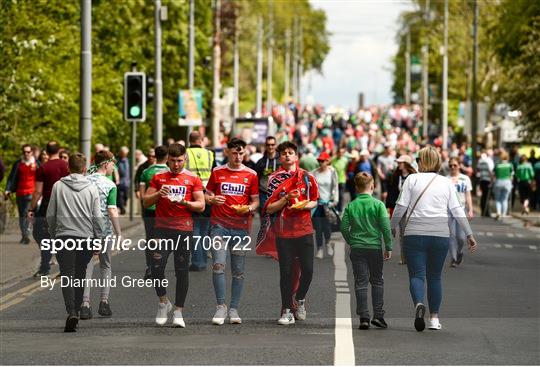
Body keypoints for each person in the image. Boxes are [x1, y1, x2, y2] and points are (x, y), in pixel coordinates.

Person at [391, 147, 477, 331]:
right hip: (440, 235)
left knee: (416, 275)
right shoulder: (446, 182)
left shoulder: (411, 179)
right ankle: (434, 319)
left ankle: (418, 304)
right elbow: (457, 210)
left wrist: (392, 226)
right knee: (435, 277)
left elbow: (400, 207)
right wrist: (469, 234)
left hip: (414, 234)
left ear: (421, 161)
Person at [143, 143, 205, 327]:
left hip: (183, 229)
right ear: (167, 160)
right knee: (156, 267)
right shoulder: (158, 177)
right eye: (172, 161)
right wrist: (158, 195)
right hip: (161, 229)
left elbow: (201, 205)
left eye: (179, 160)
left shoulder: (193, 178)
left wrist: (185, 202)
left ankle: (178, 311)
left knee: (182, 270)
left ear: (185, 158)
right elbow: (146, 202)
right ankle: (163, 301)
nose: (176, 164)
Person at [259, 141, 319, 325]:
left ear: (296, 156)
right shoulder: (274, 179)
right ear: (280, 157)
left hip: (304, 229)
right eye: (283, 153)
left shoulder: (307, 177)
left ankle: (299, 299)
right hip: (284, 232)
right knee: (285, 273)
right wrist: (286, 199)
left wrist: (303, 205)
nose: (286, 155)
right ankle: (287, 310)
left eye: (290, 152)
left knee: (308, 271)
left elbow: (314, 201)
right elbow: (269, 209)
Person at [46, 153, 105, 332]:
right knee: (80, 275)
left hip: (64, 237)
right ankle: (77, 310)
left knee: (67, 275)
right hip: (85, 238)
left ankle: (71, 311)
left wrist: (53, 233)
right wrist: (99, 238)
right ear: (85, 168)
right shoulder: (92, 188)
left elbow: (50, 214)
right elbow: (97, 217)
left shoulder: (58, 186)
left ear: (68, 168)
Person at [205, 138, 259, 325]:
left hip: (240, 228)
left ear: (245, 153)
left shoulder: (251, 174)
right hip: (219, 226)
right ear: (227, 152)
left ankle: (234, 309)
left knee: (238, 271)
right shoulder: (217, 172)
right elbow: (207, 194)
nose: (238, 156)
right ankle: (221, 307)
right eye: (234, 153)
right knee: (218, 266)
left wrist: (250, 208)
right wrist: (211, 200)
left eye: (241, 153)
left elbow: (255, 201)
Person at [341, 172, 392, 330]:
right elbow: (385, 227)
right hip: (374, 247)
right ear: (373, 186)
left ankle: (364, 317)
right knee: (377, 281)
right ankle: (378, 315)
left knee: (360, 282)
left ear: (356, 188)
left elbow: (343, 228)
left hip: (357, 248)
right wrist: (388, 246)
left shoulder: (351, 205)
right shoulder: (378, 205)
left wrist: (352, 241)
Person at [80, 150, 122, 319]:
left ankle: (84, 304)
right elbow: (112, 210)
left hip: (85, 231)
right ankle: (104, 303)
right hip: (104, 231)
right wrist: (119, 232)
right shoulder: (110, 185)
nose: (114, 167)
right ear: (106, 163)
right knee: (105, 265)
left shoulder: (84, 181)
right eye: (113, 163)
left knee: (87, 266)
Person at [28, 141, 69, 277]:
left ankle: (44, 267)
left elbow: (38, 192)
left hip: (47, 206)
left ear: (47, 150)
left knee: (42, 235)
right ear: (59, 150)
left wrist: (31, 209)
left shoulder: (43, 168)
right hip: (65, 206)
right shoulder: (66, 166)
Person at [185, 131, 215, 272]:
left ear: (189, 140)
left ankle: (197, 261)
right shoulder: (209, 154)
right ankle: (202, 259)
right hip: (208, 193)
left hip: (193, 193)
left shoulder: (185, 153)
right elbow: (215, 174)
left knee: (194, 229)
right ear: (201, 140)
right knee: (205, 229)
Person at [139, 146, 169, 279]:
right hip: (164, 210)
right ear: (167, 156)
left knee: (150, 238)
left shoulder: (146, 171)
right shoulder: (170, 171)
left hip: (149, 210)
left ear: (155, 156)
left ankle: (149, 267)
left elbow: (142, 194)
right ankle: (159, 266)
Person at [385, 154, 416, 265]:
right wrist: (389, 206)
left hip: (413, 209)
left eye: (400, 162)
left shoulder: (414, 176)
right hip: (401, 208)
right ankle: (404, 258)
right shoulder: (395, 175)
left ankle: (413, 256)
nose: (398, 164)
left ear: (406, 163)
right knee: (402, 233)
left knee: (412, 233)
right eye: (398, 162)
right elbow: (391, 192)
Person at [5, 144, 38, 244]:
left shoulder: (37, 163)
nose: (26, 154)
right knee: (21, 214)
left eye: (28, 152)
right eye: (24, 152)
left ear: (32, 152)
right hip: (20, 192)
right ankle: (24, 235)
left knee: (26, 213)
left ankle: (26, 235)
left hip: (31, 192)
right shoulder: (18, 163)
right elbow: (12, 177)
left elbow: (41, 178)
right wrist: (8, 189)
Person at [311, 151, 339, 259]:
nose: (320, 162)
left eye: (322, 161)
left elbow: (335, 187)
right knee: (318, 228)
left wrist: (335, 200)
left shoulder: (332, 172)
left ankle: (327, 243)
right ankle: (319, 249)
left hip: (328, 204)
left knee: (327, 227)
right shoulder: (314, 173)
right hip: (317, 205)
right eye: (319, 161)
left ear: (327, 161)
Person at [447, 157, 473, 267]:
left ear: (459, 166)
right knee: (451, 235)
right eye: (451, 165)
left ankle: (459, 252)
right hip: (448, 210)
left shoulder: (465, 178)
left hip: (461, 209)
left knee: (461, 237)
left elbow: (468, 195)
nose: (453, 167)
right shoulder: (445, 179)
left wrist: (470, 209)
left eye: (455, 165)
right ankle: (453, 258)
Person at [254, 136, 281, 212]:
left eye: (272, 144)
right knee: (264, 215)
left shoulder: (281, 161)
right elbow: (256, 178)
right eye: (268, 145)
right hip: (263, 193)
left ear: (276, 145)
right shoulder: (260, 162)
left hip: (278, 193)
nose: (270, 147)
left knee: (277, 218)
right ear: (265, 146)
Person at [493, 151, 514, 220]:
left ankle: (498, 213)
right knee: (505, 199)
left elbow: (494, 174)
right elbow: (512, 175)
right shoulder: (510, 165)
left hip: (498, 182)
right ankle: (504, 214)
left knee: (498, 199)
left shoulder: (497, 165)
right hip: (507, 183)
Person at [476, 151, 494, 217]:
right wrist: (492, 181)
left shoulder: (480, 162)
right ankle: (486, 212)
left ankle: (483, 211)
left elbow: (478, 171)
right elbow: (491, 172)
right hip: (487, 180)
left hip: (482, 180)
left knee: (483, 196)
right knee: (487, 197)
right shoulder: (488, 161)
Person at [331, 148, 349, 212]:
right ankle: (335, 209)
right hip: (335, 180)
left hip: (342, 180)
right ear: (337, 153)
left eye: (342, 152)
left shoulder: (345, 160)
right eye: (339, 152)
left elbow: (347, 169)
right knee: (335, 195)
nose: (340, 154)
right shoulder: (333, 160)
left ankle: (340, 210)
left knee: (341, 195)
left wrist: (346, 175)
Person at [116, 147, 130, 215]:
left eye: (125, 154)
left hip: (127, 182)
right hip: (120, 182)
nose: (124, 155)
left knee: (126, 197)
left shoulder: (128, 160)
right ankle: (122, 209)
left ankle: (123, 206)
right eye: (122, 153)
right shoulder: (117, 161)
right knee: (120, 196)